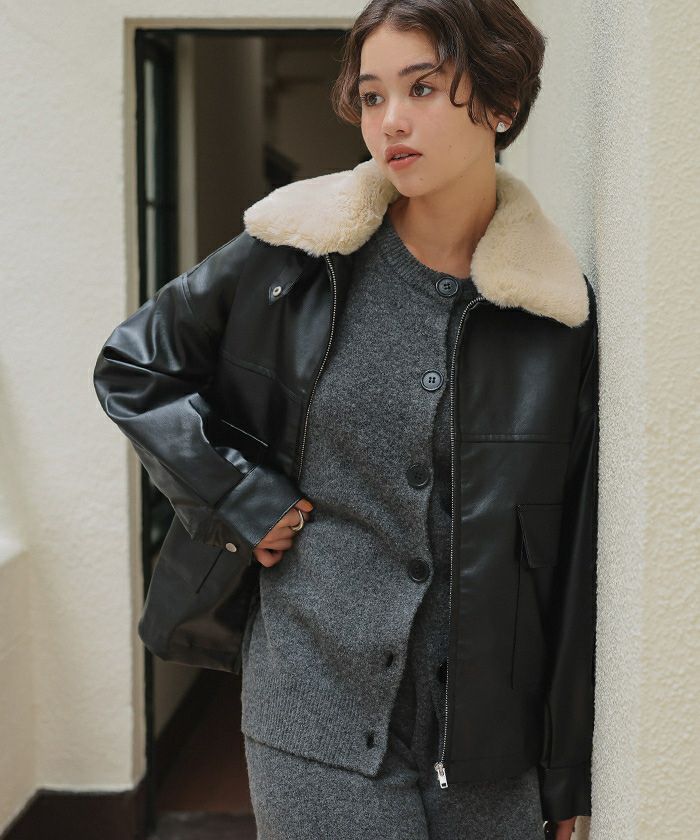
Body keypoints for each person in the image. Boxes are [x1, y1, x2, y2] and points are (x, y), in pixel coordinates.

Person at [93, 1, 598, 838]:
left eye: (423, 87)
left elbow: (575, 559)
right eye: (371, 96)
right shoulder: (293, 258)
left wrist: (566, 771)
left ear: (502, 102)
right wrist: (238, 495)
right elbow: (134, 366)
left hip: (490, 744)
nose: (390, 120)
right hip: (311, 709)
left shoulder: (554, 318)